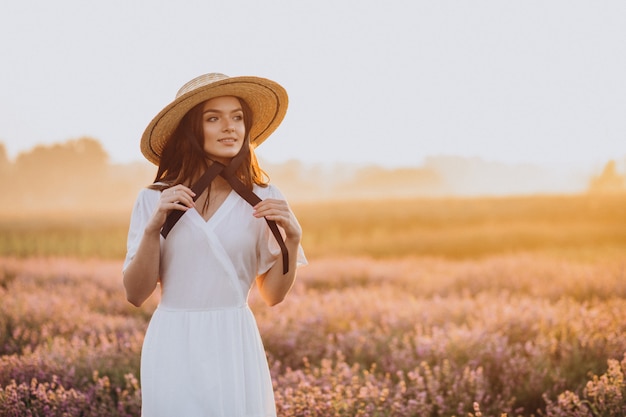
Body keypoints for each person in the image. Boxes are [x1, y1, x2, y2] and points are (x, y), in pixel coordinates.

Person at [122, 72, 307, 417]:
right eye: (213, 118)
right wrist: (152, 229)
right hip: (174, 341)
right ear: (191, 131)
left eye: (237, 117)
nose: (230, 127)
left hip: (235, 342)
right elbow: (135, 294)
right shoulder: (154, 199)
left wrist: (293, 242)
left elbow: (273, 295)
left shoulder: (263, 197)